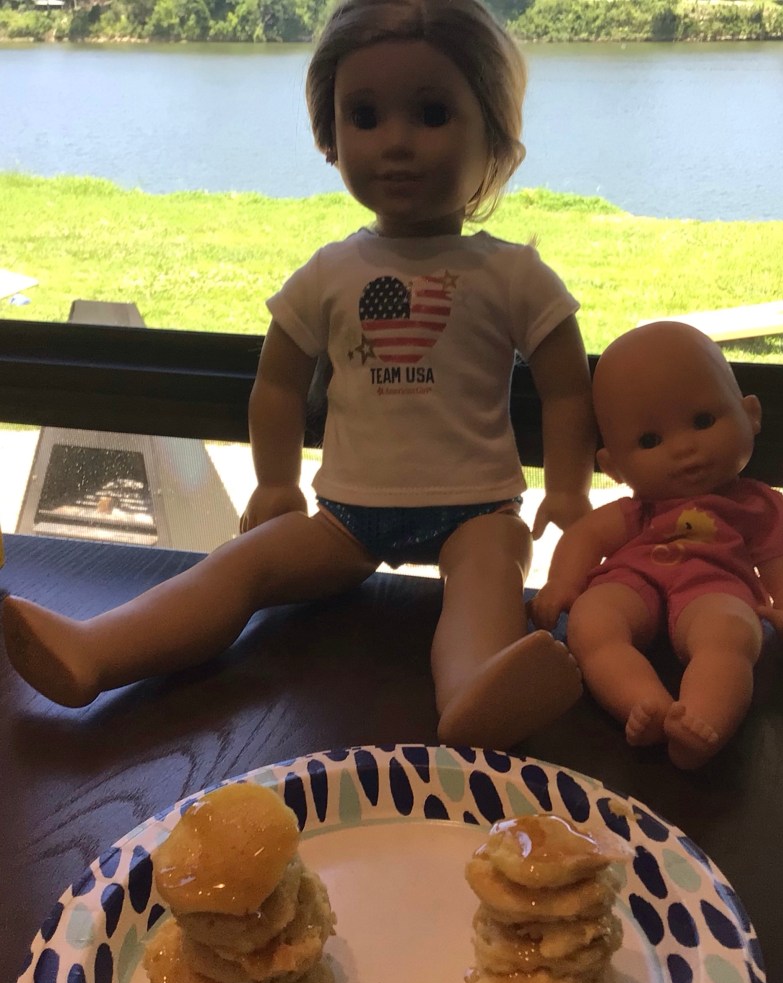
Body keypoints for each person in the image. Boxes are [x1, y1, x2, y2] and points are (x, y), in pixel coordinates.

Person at [2, 0, 594, 750]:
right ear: (329, 137)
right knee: (239, 567)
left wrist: (567, 488)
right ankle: (97, 650)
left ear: (495, 136)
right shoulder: (328, 273)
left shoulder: (513, 275)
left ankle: (474, 696)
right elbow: (279, 385)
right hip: (346, 517)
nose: (396, 142)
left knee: (484, 589)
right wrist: (276, 481)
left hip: (480, 512)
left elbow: (567, 388)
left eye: (433, 113)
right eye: (364, 116)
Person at [529, 321, 783, 769]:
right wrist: (562, 584)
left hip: (716, 588)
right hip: (631, 578)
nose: (684, 447)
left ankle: (703, 721)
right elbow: (585, 536)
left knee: (730, 633)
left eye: (703, 421)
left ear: (750, 414)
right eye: (650, 440)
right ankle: (642, 703)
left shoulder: (758, 507)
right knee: (592, 622)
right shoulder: (638, 511)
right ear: (613, 467)